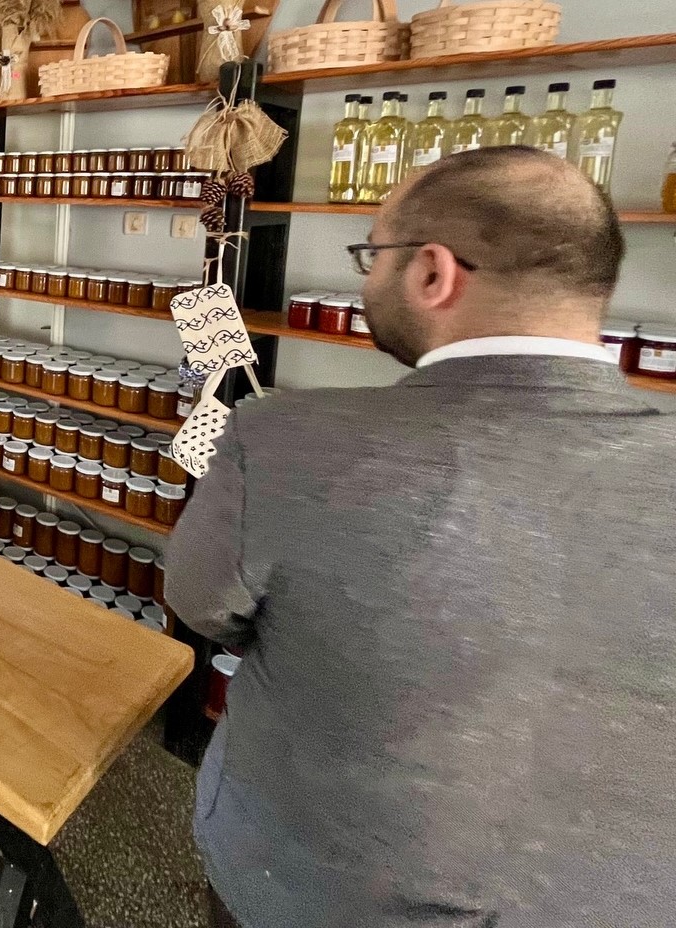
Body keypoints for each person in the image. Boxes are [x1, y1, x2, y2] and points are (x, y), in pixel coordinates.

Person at [169, 146, 676, 928]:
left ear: (434, 272)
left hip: (309, 887)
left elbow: (202, 605)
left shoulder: (283, 437)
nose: (366, 278)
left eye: (372, 255)